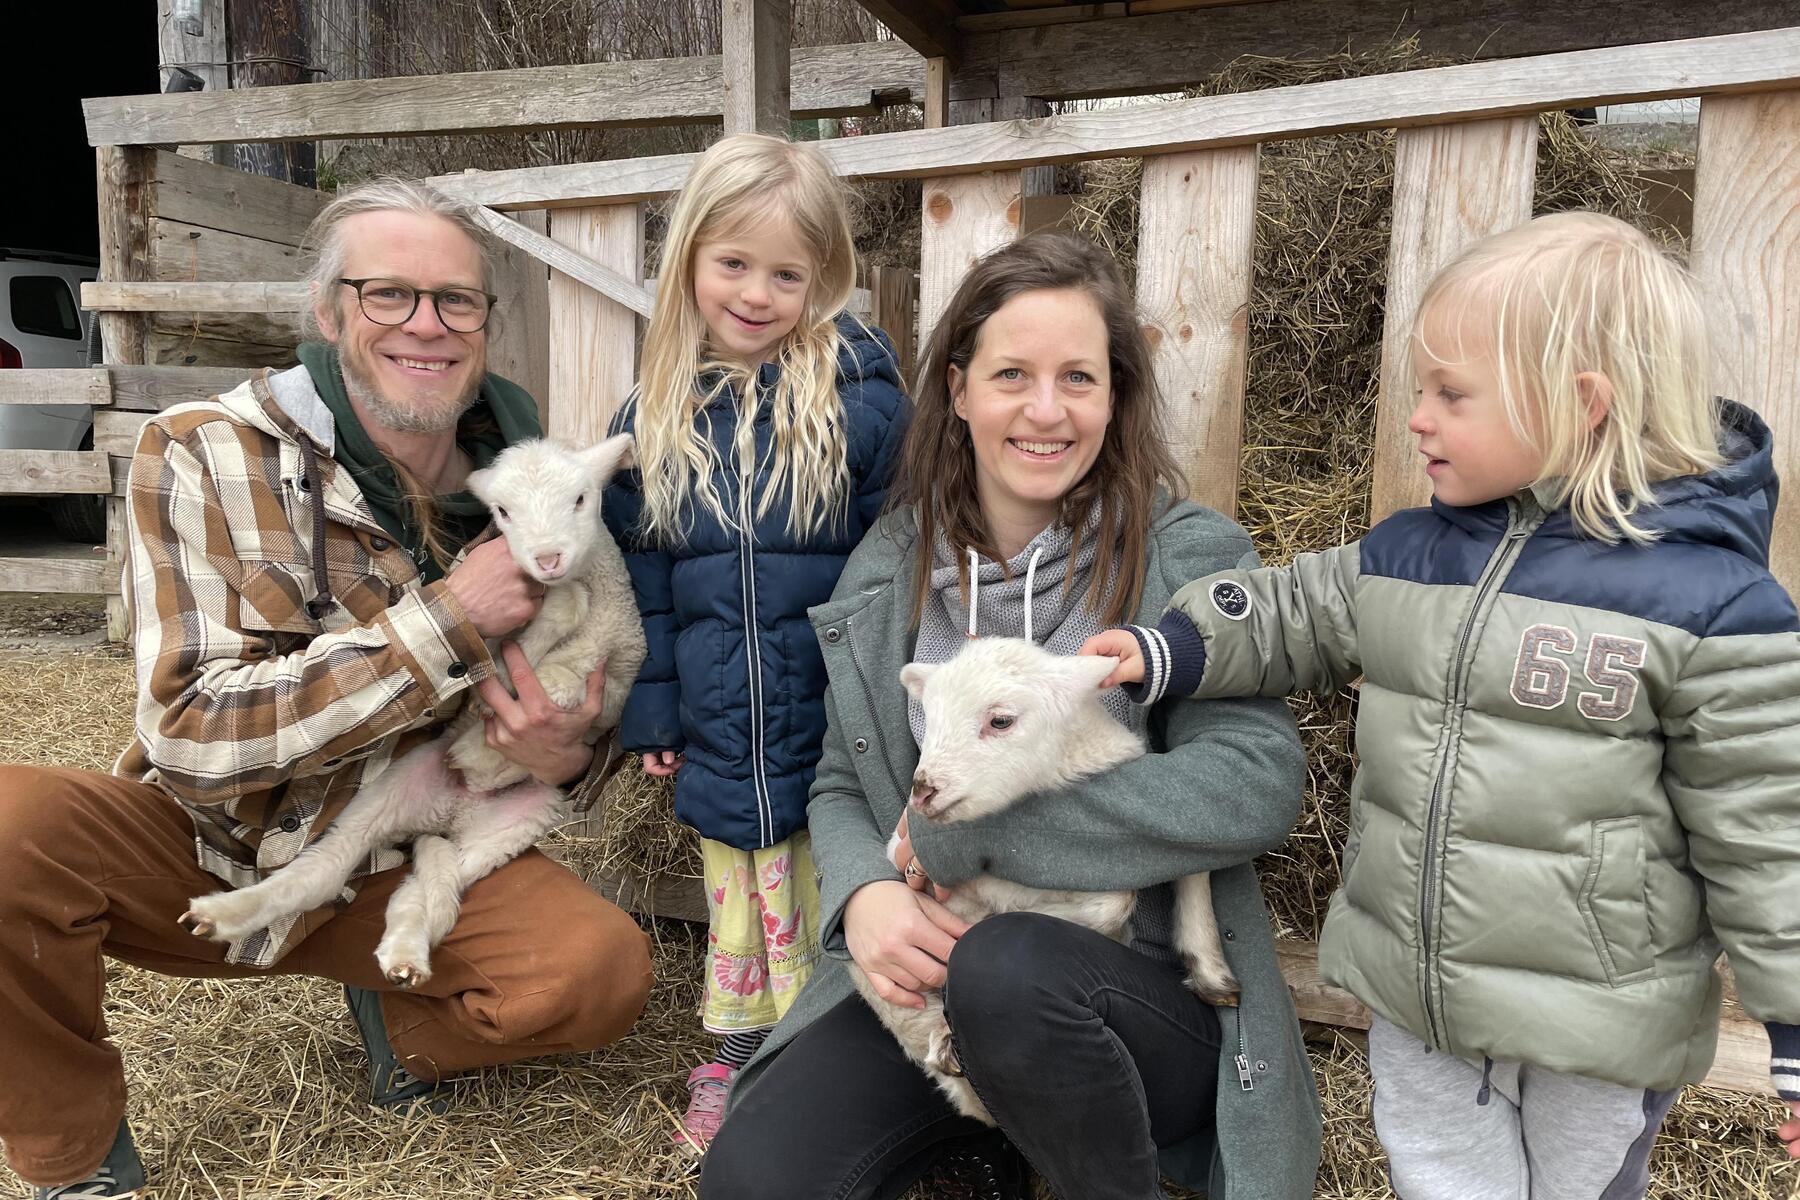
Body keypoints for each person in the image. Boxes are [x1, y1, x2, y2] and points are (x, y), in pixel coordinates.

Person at [1084, 211, 1800, 1197]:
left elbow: (1769, 834)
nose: (1415, 415)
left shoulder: (1714, 609)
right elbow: (1297, 609)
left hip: (1596, 1029)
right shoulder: (1416, 553)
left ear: (1580, 403)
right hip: (1421, 998)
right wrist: (1175, 645)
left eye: (1450, 394)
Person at [0, 178, 654, 1199]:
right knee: (7, 830)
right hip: (209, 835)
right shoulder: (200, 449)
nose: (427, 327)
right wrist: (445, 622)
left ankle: (402, 1021)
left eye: (457, 302)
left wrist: (573, 752)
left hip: (405, 837)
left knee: (598, 974)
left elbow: (596, 667)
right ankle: (72, 1155)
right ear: (329, 310)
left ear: (487, 322)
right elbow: (187, 727)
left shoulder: (529, 485)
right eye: (389, 295)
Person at [700, 229, 1322, 1200]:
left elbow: (1253, 785)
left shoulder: (1185, 558)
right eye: (1011, 375)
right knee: (755, 1179)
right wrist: (866, 896)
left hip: (1133, 992)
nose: (1045, 409)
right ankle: (986, 1148)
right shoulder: (889, 570)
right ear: (957, 389)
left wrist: (968, 841)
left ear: (1115, 396)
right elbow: (837, 778)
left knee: (1009, 970)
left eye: (1079, 377)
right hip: (938, 974)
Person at [600, 133, 908, 1155]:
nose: (758, 291)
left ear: (824, 278)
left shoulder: (860, 402)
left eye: (788, 272)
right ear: (690, 256)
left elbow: (897, 556)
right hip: (721, 713)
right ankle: (732, 1059)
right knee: (741, 894)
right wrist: (654, 703)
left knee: (838, 888)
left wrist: (888, 697)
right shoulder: (652, 415)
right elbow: (639, 579)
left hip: (832, 718)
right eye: (734, 262)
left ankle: (836, 1065)